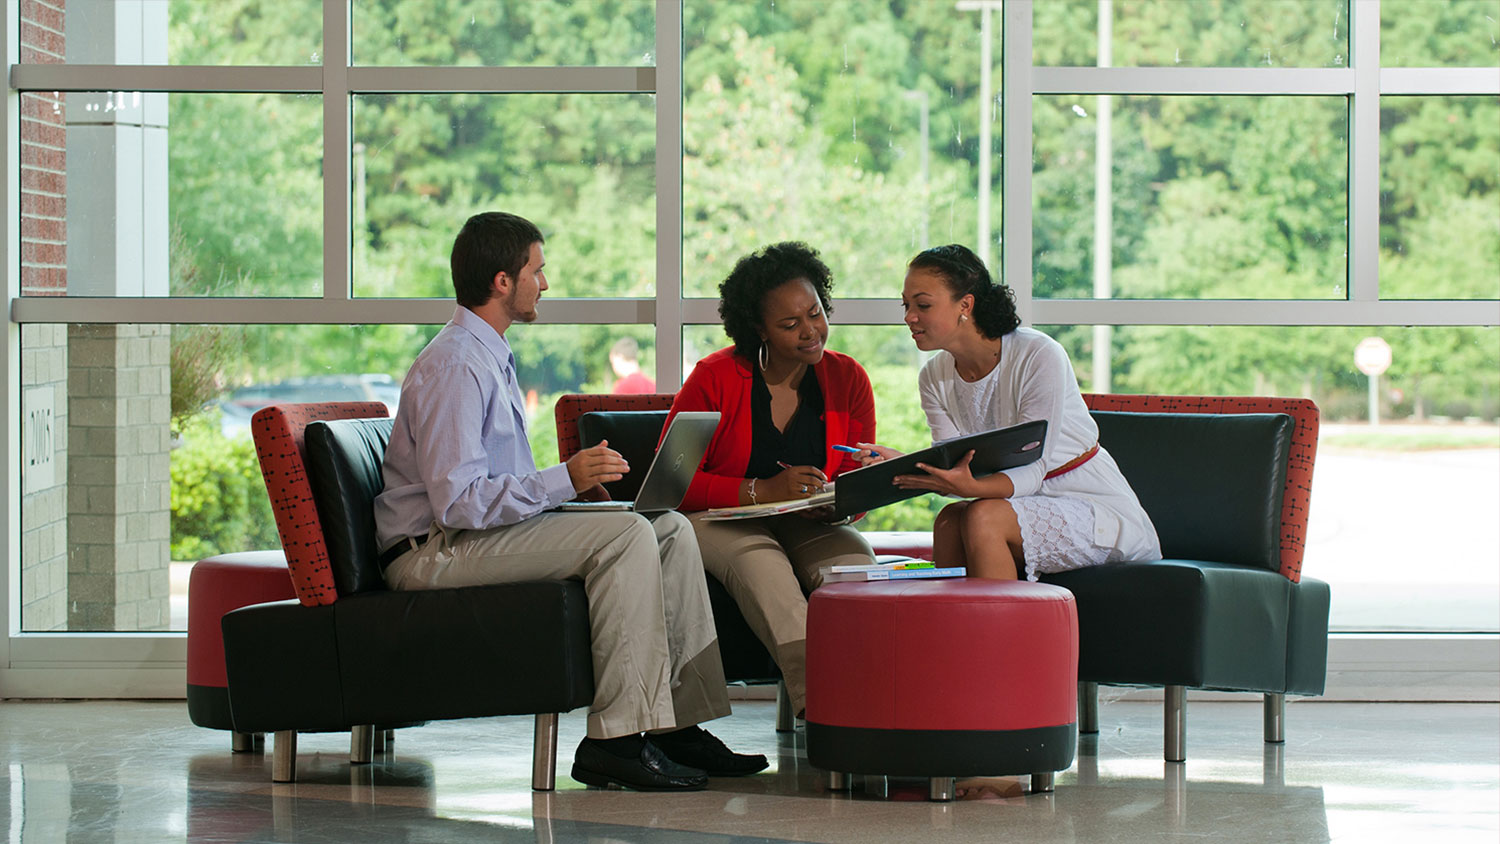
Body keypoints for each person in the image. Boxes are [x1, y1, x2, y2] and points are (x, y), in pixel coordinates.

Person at [373, 211, 766, 791]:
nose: (546, 283)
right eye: (538, 269)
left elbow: (492, 490)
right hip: (433, 551)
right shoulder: (455, 364)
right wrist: (564, 478)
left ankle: (675, 726)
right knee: (627, 535)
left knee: (666, 528)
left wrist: (574, 494)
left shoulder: (488, 354)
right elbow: (458, 503)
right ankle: (615, 740)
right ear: (503, 281)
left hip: (470, 537)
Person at [663, 241, 877, 717]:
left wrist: (843, 501)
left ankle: (879, 701)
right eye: (790, 324)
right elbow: (671, 485)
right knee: (768, 574)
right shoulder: (714, 378)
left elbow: (855, 477)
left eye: (815, 313)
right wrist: (761, 491)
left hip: (809, 520)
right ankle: (828, 712)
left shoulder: (849, 379)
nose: (810, 332)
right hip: (718, 518)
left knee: (857, 572)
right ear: (757, 327)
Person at [860, 244, 1161, 580]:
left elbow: (1032, 471)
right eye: (906, 305)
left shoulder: (1039, 354)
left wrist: (966, 486)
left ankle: (1000, 633)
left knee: (983, 517)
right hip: (1011, 500)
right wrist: (906, 464)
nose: (909, 317)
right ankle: (952, 633)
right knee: (947, 521)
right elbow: (957, 467)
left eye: (923, 305)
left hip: (1087, 502)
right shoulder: (932, 377)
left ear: (966, 305)